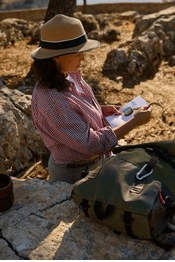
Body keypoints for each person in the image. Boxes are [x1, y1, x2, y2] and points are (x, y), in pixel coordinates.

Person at [31, 14, 151, 183]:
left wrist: (99, 109)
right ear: (56, 56)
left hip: (95, 162)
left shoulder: (69, 74)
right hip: (75, 174)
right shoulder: (51, 100)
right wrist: (133, 122)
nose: (84, 58)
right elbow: (90, 145)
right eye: (78, 53)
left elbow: (73, 108)